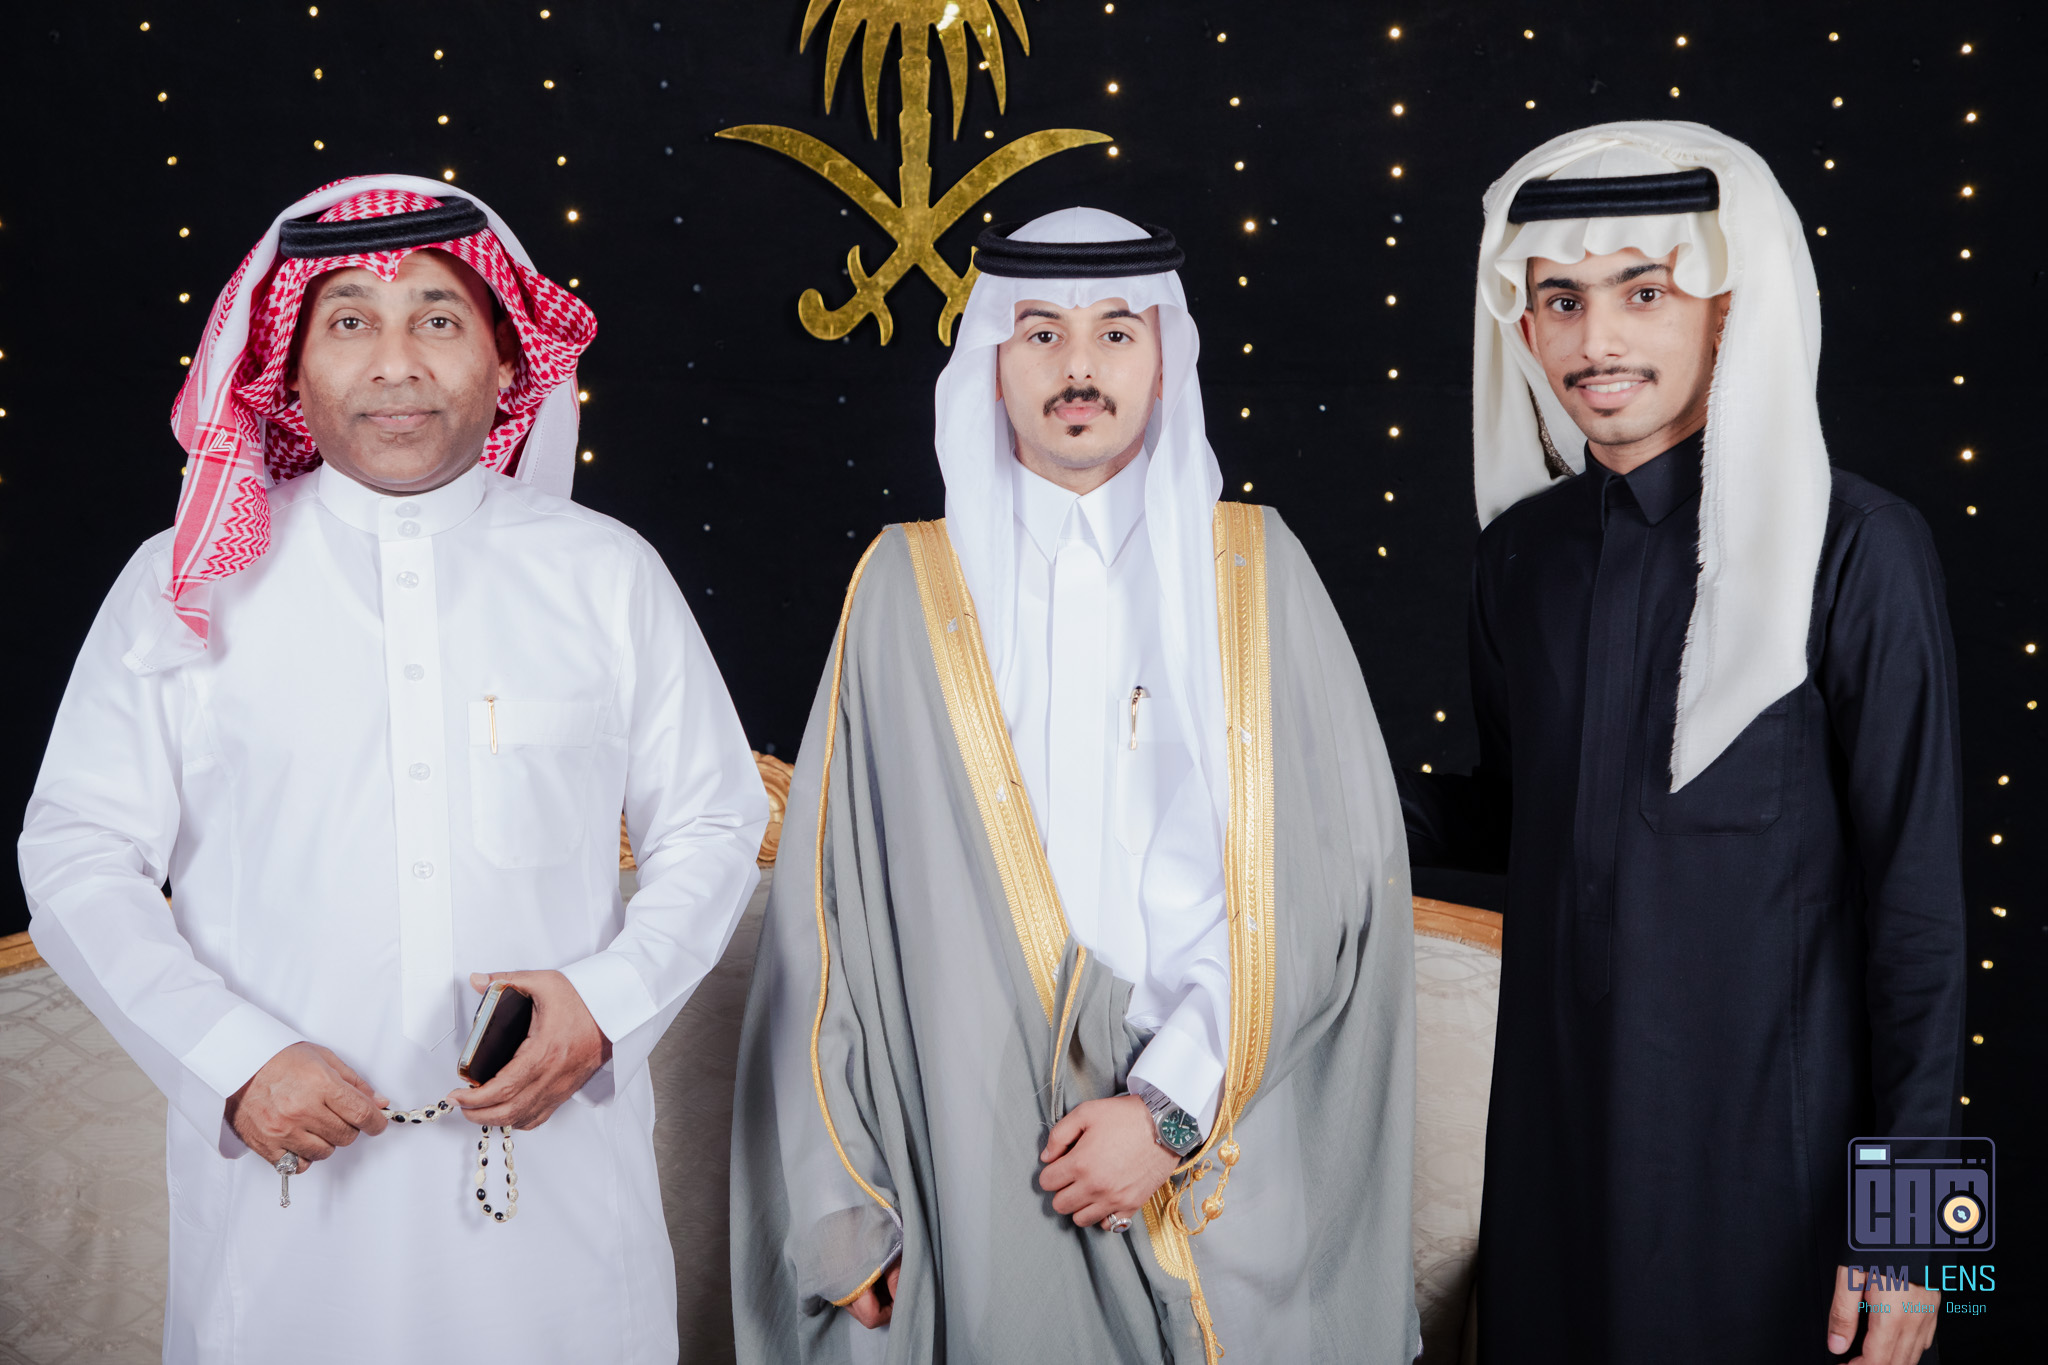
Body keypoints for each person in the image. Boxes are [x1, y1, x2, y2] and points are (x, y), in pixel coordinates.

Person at [18, 176, 769, 1363]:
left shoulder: (604, 574)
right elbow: (77, 853)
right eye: (350, 322)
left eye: (437, 318)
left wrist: (606, 1005)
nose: (395, 364)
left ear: (506, 359)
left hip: (553, 1198)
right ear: (288, 365)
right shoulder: (183, 586)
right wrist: (232, 1059)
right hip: (286, 1204)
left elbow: (715, 826)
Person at [729, 208, 1418, 1364]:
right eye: (1041, 332)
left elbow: (1331, 884)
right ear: (991, 363)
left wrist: (1168, 1111)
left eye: (1115, 332)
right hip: (968, 1149)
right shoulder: (903, 586)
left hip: (1217, 1139)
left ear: (1164, 360)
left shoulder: (1257, 570)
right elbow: (824, 915)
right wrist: (840, 1203)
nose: (1079, 367)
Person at [1401, 123, 1966, 1364]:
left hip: (1778, 1192)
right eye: (1560, 300)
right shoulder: (1520, 557)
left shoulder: (1857, 546)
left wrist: (1920, 1236)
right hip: (1554, 1172)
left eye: (1642, 293)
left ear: (1727, 308)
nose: (1595, 340)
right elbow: (1523, 813)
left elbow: (1919, 911)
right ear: (1523, 325)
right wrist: (1287, 787)